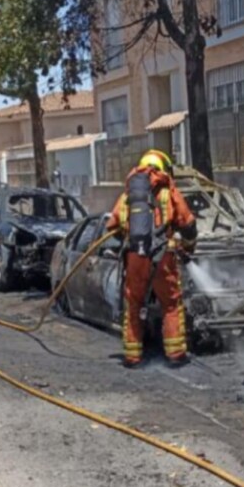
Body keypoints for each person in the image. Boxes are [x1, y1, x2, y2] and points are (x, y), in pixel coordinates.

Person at [105, 149, 198, 368]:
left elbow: (113, 227)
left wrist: (130, 238)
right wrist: (189, 246)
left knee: (134, 304)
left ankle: (133, 356)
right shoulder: (168, 191)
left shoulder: (128, 195)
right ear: (162, 168)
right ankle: (175, 355)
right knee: (171, 304)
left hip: (136, 257)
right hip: (163, 256)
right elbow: (187, 223)